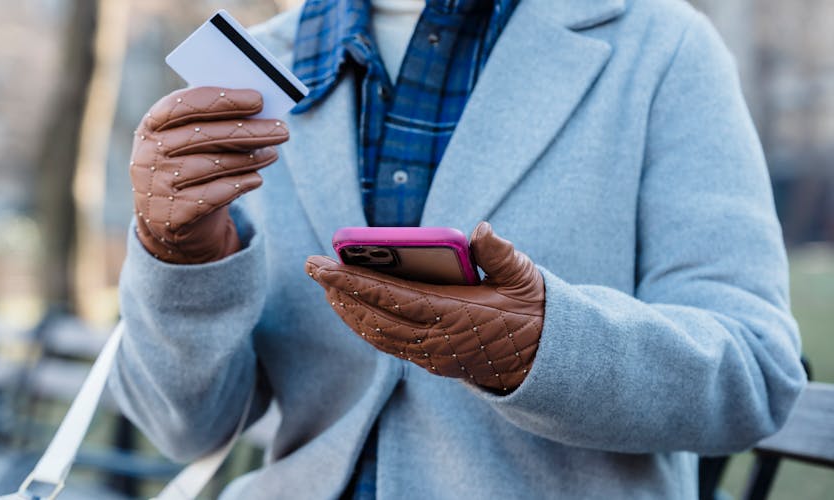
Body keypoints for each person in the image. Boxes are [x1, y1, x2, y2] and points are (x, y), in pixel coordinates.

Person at [109, 0, 808, 498]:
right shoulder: (253, 70)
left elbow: (757, 373)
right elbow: (183, 429)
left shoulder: (661, 48)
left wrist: (543, 347)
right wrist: (182, 258)